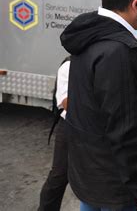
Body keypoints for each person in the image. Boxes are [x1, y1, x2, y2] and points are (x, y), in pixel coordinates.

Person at [60, 0, 137, 211]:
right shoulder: (120, 52)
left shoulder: (90, 34)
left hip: (89, 174)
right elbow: (125, 129)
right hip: (117, 184)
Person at [38, 58, 70, 211]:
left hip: (95, 129)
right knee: (59, 175)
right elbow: (66, 103)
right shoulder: (69, 65)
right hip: (70, 127)